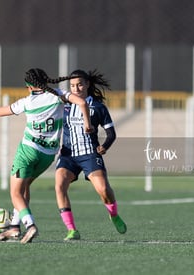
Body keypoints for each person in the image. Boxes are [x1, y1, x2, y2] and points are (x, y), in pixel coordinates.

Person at [0, 68, 92, 243]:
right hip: (47, 156)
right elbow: (82, 103)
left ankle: (30, 225)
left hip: (28, 151)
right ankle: (15, 229)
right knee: (24, 188)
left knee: (15, 193)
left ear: (30, 86)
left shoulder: (27, 102)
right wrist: (87, 123)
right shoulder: (59, 95)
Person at [55, 69, 127, 241]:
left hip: (89, 154)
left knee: (103, 189)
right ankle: (72, 230)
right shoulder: (64, 103)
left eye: (79, 84)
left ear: (87, 84)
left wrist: (105, 146)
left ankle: (114, 215)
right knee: (59, 186)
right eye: (72, 85)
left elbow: (111, 134)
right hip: (68, 155)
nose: (76, 88)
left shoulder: (98, 107)